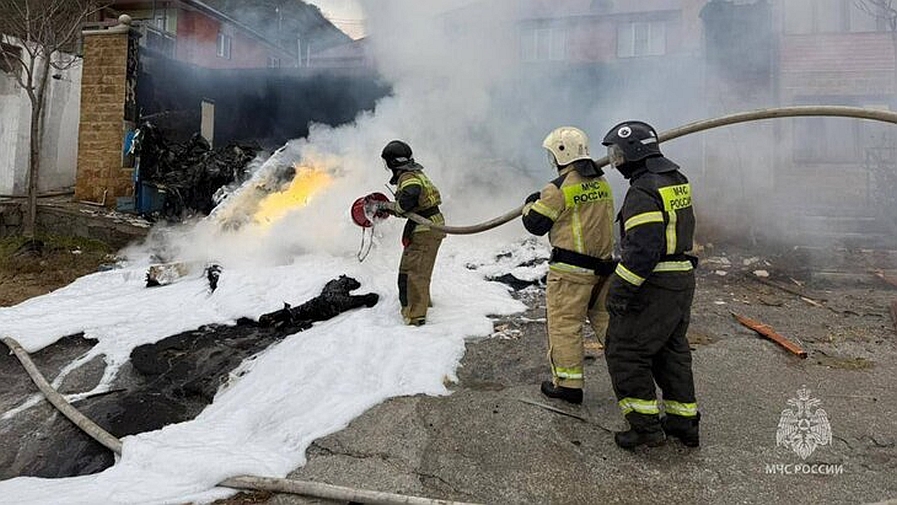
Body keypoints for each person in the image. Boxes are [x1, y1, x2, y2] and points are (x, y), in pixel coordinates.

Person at [600, 120, 700, 449]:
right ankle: (683, 421)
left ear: (634, 152)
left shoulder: (643, 190)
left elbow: (643, 250)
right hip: (681, 278)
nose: (615, 162)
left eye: (617, 154)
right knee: (670, 351)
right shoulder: (675, 178)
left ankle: (644, 428)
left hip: (655, 283)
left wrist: (620, 290)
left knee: (625, 350)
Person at [521, 126, 616, 405]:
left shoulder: (557, 189)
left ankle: (567, 385)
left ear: (561, 154)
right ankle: (631, 373)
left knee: (564, 325)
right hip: (603, 269)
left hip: (571, 274)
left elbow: (535, 224)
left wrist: (530, 204)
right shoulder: (601, 182)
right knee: (609, 323)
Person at [379, 140, 446, 326]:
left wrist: (388, 206)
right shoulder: (415, 173)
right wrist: (390, 207)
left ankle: (415, 316)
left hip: (426, 229)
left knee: (413, 273)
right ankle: (421, 304)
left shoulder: (408, 176)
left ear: (393, 162)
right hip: (428, 226)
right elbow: (409, 207)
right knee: (415, 270)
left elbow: (408, 199)